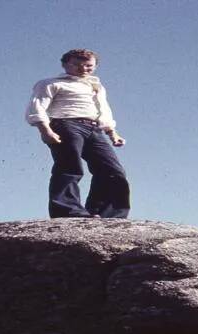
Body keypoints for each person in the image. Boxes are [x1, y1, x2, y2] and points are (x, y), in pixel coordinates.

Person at [25, 49, 130, 218]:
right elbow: (37, 107)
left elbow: (104, 110)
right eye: (77, 65)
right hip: (66, 124)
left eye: (89, 66)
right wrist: (45, 130)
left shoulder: (96, 86)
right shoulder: (50, 83)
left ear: (95, 66)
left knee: (112, 170)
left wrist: (112, 133)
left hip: (94, 128)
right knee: (69, 167)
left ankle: (107, 214)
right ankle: (68, 212)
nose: (83, 69)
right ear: (65, 64)